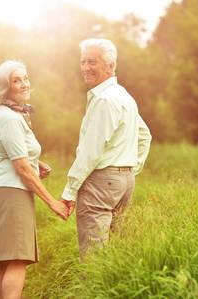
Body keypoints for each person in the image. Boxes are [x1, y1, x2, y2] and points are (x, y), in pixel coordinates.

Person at [0, 60, 69, 299]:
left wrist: (36, 163)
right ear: (4, 87)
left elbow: (9, 152)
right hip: (11, 193)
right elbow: (21, 167)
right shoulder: (9, 117)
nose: (23, 84)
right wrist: (53, 202)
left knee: (2, 261)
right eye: (16, 80)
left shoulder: (2, 113)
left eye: (25, 78)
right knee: (18, 259)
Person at [61, 38, 152, 259]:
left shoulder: (105, 100)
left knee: (94, 256)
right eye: (83, 62)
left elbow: (90, 152)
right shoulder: (124, 96)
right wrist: (130, 168)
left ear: (110, 66)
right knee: (113, 254)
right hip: (123, 182)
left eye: (92, 62)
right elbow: (145, 135)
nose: (85, 68)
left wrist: (69, 192)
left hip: (102, 182)